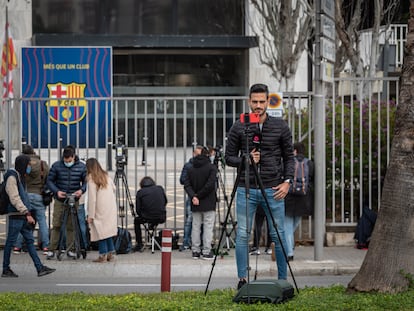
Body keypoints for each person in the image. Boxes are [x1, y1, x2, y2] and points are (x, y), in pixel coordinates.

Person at [225, 83, 295, 289]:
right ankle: (242, 280)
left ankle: (283, 281)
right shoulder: (239, 126)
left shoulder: (280, 126)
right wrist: (246, 160)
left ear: (268, 101)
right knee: (243, 234)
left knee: (278, 234)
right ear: (249, 101)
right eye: (254, 102)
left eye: (261, 102)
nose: (258, 106)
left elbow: (289, 157)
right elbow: (228, 158)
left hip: (273, 189)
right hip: (246, 189)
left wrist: (287, 182)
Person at [2, 154, 56, 277]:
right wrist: (27, 213)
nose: (29, 168)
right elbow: (14, 198)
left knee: (30, 241)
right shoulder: (12, 177)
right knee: (10, 242)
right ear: (22, 165)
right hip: (16, 215)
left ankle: (40, 268)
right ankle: (5, 269)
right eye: (27, 165)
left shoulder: (20, 177)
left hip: (20, 215)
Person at [46, 145, 87, 259]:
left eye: (69, 160)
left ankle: (71, 249)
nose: (67, 162)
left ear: (74, 157)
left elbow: (86, 182)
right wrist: (56, 191)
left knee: (71, 225)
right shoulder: (56, 166)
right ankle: (51, 249)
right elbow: (49, 181)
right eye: (65, 160)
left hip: (74, 199)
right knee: (57, 224)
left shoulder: (82, 167)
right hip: (60, 199)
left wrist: (81, 190)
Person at [13, 145, 50, 255]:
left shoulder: (23, 164)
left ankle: (17, 246)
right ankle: (46, 246)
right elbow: (48, 177)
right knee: (42, 221)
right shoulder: (42, 164)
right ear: (34, 152)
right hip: (38, 194)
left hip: (25, 195)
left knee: (23, 221)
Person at [184, 146, 217, 260]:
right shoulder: (211, 168)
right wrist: (199, 196)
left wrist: (194, 196)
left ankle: (195, 251)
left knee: (195, 226)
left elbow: (186, 184)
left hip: (195, 202)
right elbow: (210, 185)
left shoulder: (191, 168)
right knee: (208, 226)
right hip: (208, 201)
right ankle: (206, 251)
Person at [285, 142, 314, 260]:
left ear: (295, 151)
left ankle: (289, 253)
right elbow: (312, 182)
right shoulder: (309, 163)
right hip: (303, 199)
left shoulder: (289, 162)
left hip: (289, 198)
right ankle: (289, 245)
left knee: (287, 227)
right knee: (293, 225)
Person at [85, 158, 118, 262]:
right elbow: (114, 188)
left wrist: (90, 215)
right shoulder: (106, 176)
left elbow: (92, 199)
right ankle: (110, 253)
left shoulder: (91, 179)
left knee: (101, 232)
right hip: (110, 207)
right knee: (107, 230)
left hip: (100, 208)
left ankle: (102, 255)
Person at [179, 146, 203, 251]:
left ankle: (200, 242)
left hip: (202, 196)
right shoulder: (188, 166)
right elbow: (182, 180)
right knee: (189, 220)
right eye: (196, 154)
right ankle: (186, 242)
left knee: (202, 221)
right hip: (191, 195)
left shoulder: (204, 165)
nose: (198, 156)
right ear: (193, 154)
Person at [134, 176, 167, 252]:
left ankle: (139, 243)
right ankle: (152, 227)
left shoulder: (140, 192)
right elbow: (165, 202)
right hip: (161, 217)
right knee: (154, 218)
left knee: (136, 221)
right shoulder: (160, 188)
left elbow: (138, 210)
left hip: (147, 217)